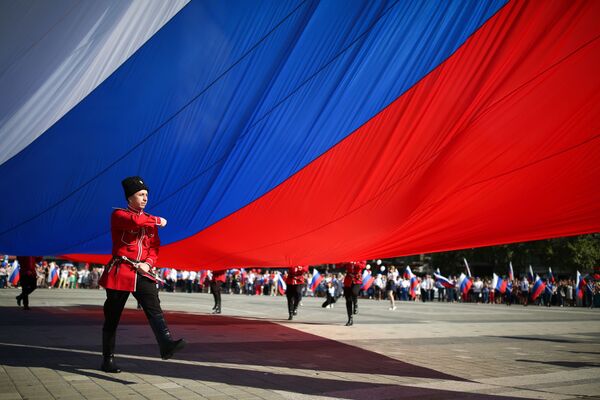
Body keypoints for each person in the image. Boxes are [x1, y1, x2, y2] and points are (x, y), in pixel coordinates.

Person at [98, 176, 186, 373]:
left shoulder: (148, 220)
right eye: (140, 195)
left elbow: (154, 247)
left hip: (141, 272)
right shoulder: (119, 214)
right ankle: (107, 359)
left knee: (154, 307)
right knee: (112, 317)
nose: (145, 198)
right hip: (121, 271)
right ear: (130, 198)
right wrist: (157, 219)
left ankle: (166, 344)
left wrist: (148, 263)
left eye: (146, 194)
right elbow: (135, 221)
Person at [341, 261, 366, 326]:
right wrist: (344, 262)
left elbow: (363, 266)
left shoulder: (361, 256)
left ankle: (355, 303)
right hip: (348, 280)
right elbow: (339, 265)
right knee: (348, 300)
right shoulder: (348, 257)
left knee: (354, 292)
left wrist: (355, 263)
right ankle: (350, 319)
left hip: (357, 279)